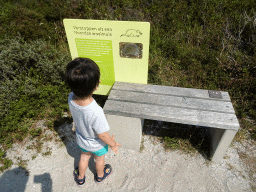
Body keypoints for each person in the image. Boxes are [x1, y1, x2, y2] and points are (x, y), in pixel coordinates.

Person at [65, 57, 121, 187]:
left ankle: (80, 178)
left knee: (84, 157)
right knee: (99, 159)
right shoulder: (96, 111)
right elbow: (102, 134)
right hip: (97, 145)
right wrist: (112, 144)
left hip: (82, 140)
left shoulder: (71, 98)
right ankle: (100, 176)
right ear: (97, 85)